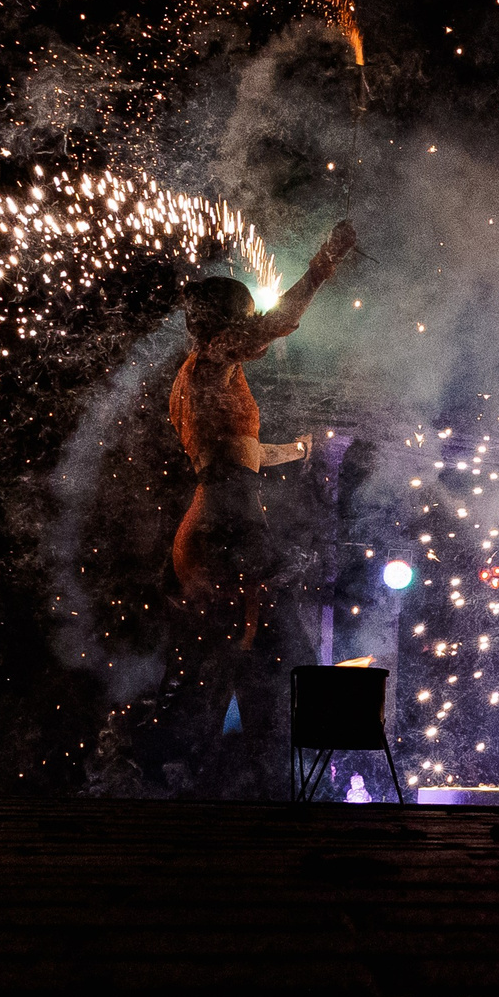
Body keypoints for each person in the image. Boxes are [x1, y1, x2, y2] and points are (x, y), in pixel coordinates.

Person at [160, 218, 359, 791]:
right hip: (226, 521)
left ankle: (216, 780)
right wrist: (325, 261)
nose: (258, 333)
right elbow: (282, 322)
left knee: (244, 656)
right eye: (246, 321)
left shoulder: (197, 376)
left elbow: (233, 453)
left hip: (215, 514)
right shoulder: (214, 357)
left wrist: (296, 450)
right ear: (224, 323)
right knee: (271, 657)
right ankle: (260, 784)